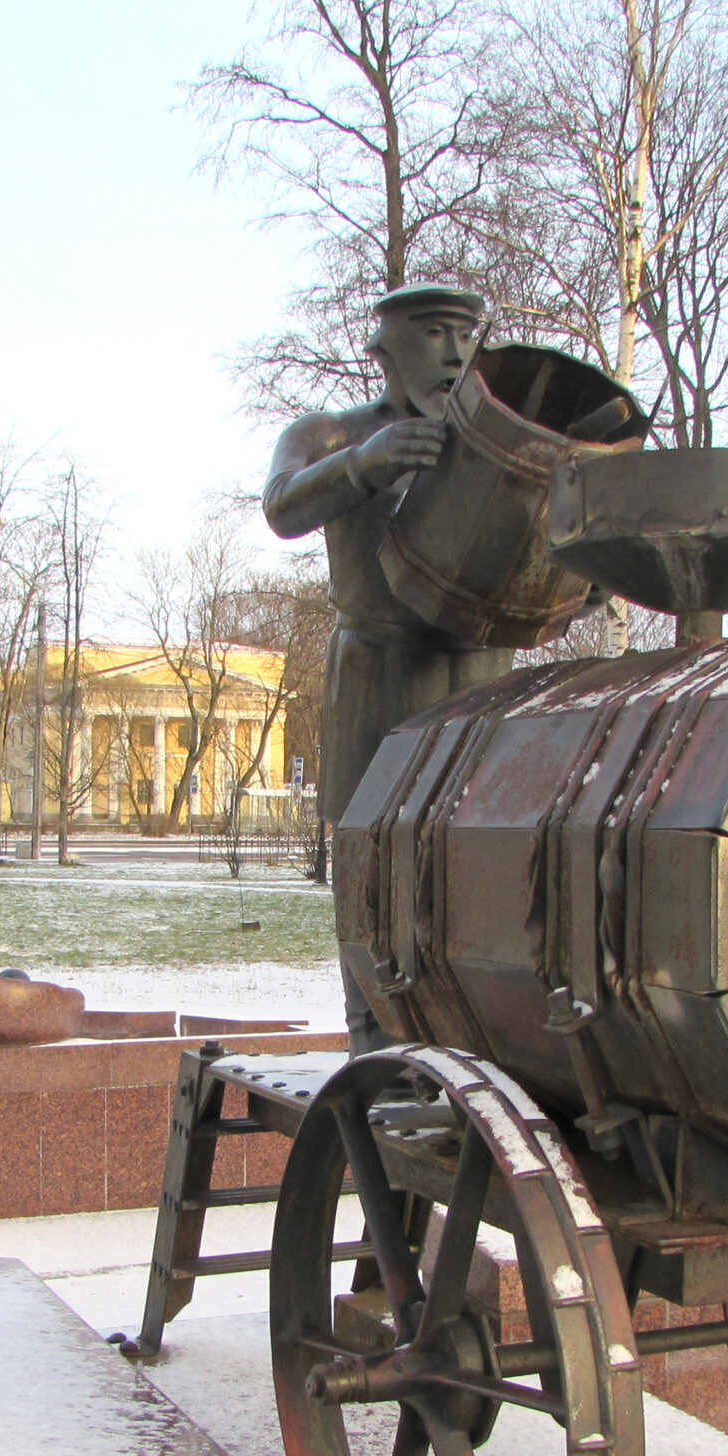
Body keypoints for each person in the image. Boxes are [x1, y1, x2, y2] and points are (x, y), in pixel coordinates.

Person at [263, 284, 517, 1049]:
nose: (452, 353)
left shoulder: (498, 443)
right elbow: (280, 506)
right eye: (434, 333)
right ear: (384, 351)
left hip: (479, 678)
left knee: (472, 867)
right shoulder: (331, 433)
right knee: (371, 870)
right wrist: (363, 466)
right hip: (375, 675)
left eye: (465, 336)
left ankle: (474, 1040)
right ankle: (373, 1038)